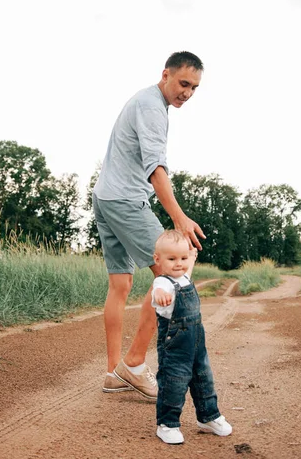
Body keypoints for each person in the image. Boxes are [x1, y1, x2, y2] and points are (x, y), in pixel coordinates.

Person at [93, 51, 206, 399]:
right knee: (173, 271)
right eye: (183, 83)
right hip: (126, 200)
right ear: (166, 74)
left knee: (120, 285)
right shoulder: (152, 107)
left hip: (106, 196)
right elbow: (156, 168)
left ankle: (115, 374)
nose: (187, 92)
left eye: (194, 88)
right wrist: (178, 217)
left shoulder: (146, 102)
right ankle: (135, 364)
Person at [152, 229, 233, 444]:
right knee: (175, 381)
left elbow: (188, 266)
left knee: (203, 376)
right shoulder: (163, 283)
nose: (178, 263)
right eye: (172, 259)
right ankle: (167, 423)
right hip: (176, 343)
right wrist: (160, 296)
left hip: (197, 341)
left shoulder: (184, 277)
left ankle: (208, 416)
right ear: (157, 259)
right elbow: (157, 290)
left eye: (183, 258)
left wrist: (192, 256)